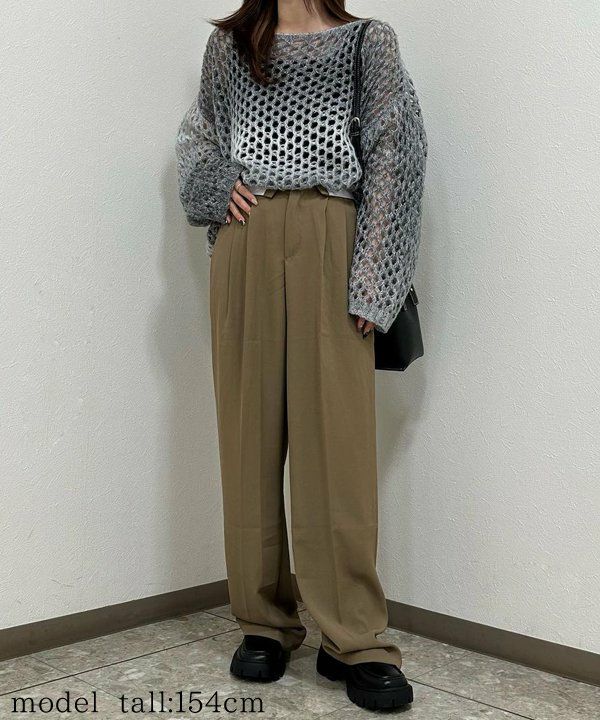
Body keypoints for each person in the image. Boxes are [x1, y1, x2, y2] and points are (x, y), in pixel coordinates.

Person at [175, 0, 427, 710]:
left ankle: (355, 638)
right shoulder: (232, 46)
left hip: (332, 237)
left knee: (336, 449)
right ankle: (264, 623)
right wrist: (216, 186)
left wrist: (375, 278)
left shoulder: (367, 43)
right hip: (247, 242)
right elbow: (198, 137)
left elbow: (396, 156)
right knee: (247, 438)